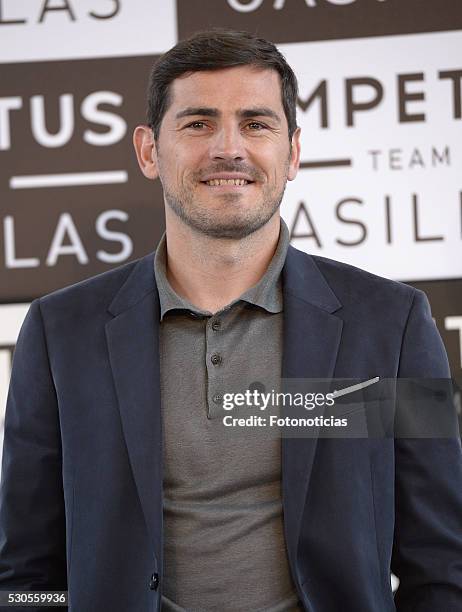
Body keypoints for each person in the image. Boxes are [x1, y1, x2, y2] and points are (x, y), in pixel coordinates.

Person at [0, 28, 461, 612]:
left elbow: (444, 561)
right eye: (197, 123)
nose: (228, 148)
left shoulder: (392, 327)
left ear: (292, 152)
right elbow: (25, 574)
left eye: (256, 123)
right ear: (148, 151)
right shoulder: (59, 332)